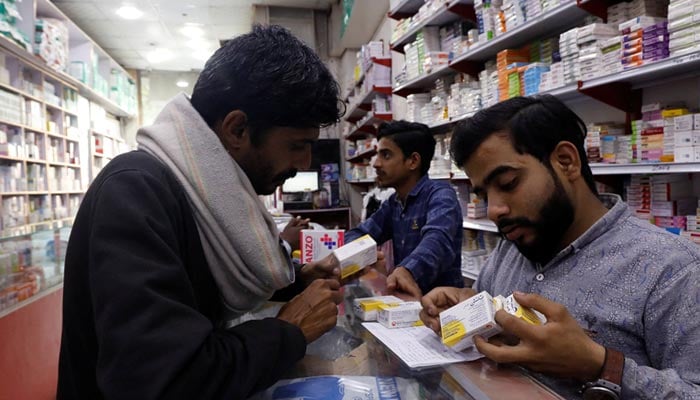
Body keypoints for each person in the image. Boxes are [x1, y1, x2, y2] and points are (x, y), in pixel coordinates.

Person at [57, 25, 346, 399]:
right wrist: (288, 331)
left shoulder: (201, 190)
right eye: (296, 145)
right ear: (237, 129)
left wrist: (295, 282)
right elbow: (163, 381)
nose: (304, 163)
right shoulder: (135, 191)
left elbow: (194, 277)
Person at [419, 95, 700, 399]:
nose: (494, 210)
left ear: (566, 161)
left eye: (509, 183)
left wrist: (599, 365)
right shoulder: (512, 246)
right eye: (484, 194)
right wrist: (469, 310)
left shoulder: (673, 269)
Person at [344, 121, 464, 298]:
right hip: (406, 304)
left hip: (443, 309)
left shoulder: (441, 196)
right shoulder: (394, 203)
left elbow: (437, 240)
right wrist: (363, 252)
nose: (376, 164)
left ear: (413, 161)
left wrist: (407, 270)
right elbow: (360, 233)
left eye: (386, 155)